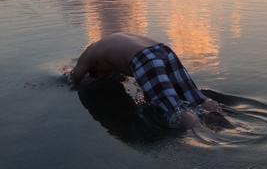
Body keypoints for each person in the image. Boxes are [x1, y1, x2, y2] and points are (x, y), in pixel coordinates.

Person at [70, 32, 221, 129]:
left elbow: (75, 77)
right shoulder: (107, 45)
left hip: (144, 59)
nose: (102, 76)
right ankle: (219, 117)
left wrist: (69, 79)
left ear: (93, 68)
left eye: (97, 75)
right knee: (195, 98)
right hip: (163, 50)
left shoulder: (88, 55)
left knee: (172, 110)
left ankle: (203, 134)